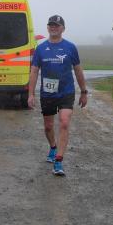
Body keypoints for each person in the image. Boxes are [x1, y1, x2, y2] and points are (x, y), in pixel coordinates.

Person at [27, 15, 89, 176]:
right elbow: (34, 72)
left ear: (63, 28)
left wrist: (83, 92)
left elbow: (78, 70)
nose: (53, 27)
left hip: (66, 92)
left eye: (57, 25)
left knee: (64, 122)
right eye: (51, 25)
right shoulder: (40, 49)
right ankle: (53, 147)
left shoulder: (70, 47)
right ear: (48, 28)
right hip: (48, 94)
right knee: (48, 126)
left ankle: (59, 161)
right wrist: (31, 94)